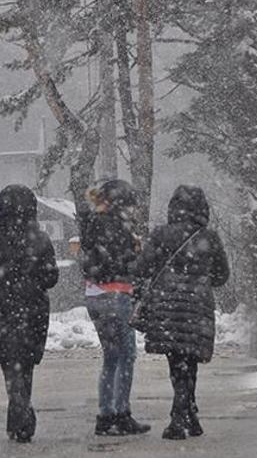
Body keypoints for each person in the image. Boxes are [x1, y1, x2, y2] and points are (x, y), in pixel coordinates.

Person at [133, 185, 230, 440]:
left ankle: (182, 415)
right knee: (190, 359)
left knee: (176, 361)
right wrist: (199, 278)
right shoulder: (209, 238)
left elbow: (142, 268)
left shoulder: (161, 235)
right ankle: (186, 413)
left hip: (166, 306)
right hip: (196, 307)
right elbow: (222, 276)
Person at [0, 185, 59, 443]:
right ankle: (20, 417)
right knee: (25, 366)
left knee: (10, 366)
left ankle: (19, 415)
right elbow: (51, 277)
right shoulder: (40, 238)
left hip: (1, 309)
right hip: (32, 311)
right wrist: (32, 281)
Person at [79, 179, 150, 436]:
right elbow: (121, 265)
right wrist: (136, 252)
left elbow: (93, 262)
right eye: (129, 206)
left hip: (95, 297)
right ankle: (120, 413)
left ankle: (105, 414)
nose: (132, 211)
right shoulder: (114, 226)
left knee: (111, 357)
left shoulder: (91, 223)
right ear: (120, 203)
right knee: (125, 355)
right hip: (115, 296)